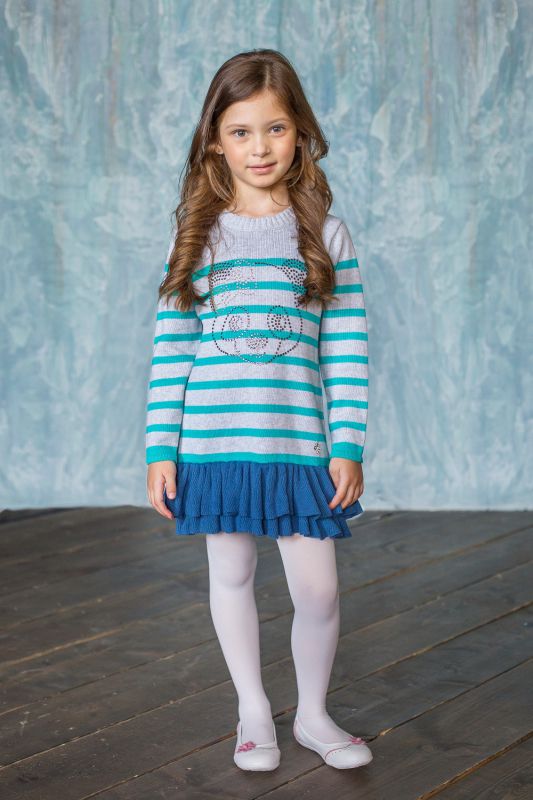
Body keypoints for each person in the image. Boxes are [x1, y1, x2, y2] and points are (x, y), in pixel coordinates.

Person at [145, 49, 372, 772]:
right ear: (215, 140)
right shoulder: (199, 236)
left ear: (300, 132)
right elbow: (172, 350)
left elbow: (346, 350)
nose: (260, 148)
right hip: (213, 449)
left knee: (319, 590)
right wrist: (160, 448)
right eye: (240, 132)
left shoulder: (325, 235)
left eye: (275, 128)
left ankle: (312, 714)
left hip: (298, 448)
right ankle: (252, 712)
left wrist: (347, 442)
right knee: (232, 577)